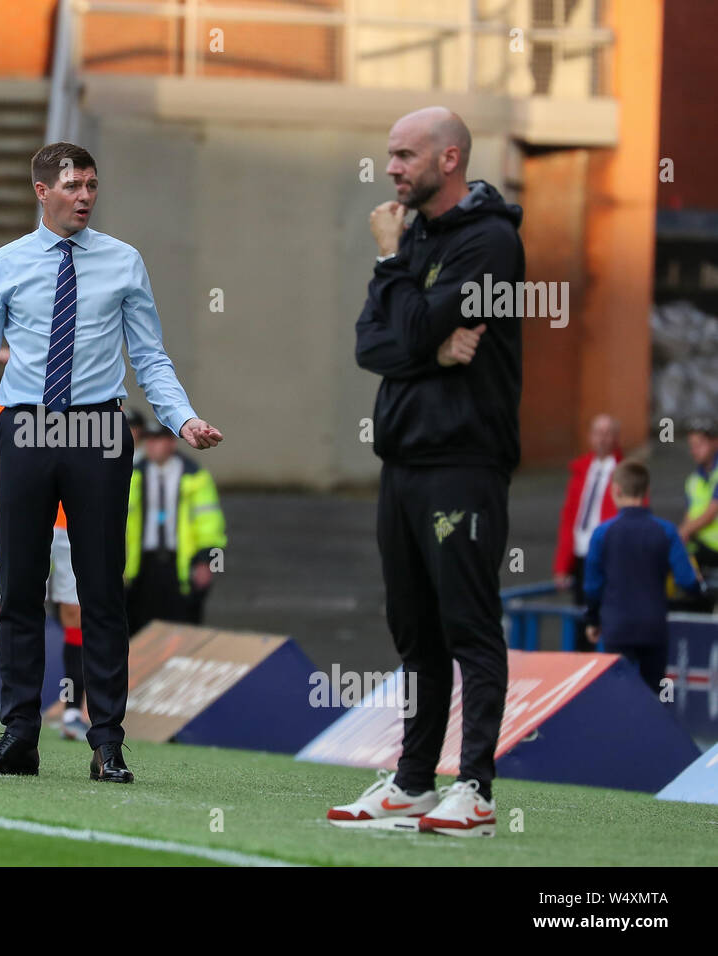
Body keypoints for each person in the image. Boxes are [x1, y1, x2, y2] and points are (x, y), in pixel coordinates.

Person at [0, 142, 223, 784]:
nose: (85, 195)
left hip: (100, 428)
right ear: (41, 191)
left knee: (102, 588)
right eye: (72, 185)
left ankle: (107, 740)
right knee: (19, 588)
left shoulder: (124, 261)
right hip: (25, 425)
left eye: (91, 184)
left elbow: (150, 356)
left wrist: (181, 417)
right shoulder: (5, 263)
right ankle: (18, 736)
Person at [331, 107, 524, 837]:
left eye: (406, 155)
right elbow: (371, 345)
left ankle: (474, 787)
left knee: (468, 625)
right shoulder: (412, 235)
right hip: (403, 461)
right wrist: (431, 349)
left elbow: (400, 327)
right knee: (414, 631)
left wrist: (390, 270)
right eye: (389, 155)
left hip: (464, 461)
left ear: (450, 160)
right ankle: (415, 781)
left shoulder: (491, 241)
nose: (392, 169)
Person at [0, 403, 91, 740]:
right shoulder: (11, 397)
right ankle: (18, 714)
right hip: (29, 517)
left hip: (73, 521)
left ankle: (73, 708)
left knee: (75, 611)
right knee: (22, 606)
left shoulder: (85, 390)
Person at [584, 461, 703, 695]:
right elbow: (687, 581)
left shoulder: (602, 534)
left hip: (616, 627)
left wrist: (593, 620)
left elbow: (592, 586)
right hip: (653, 627)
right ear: (647, 492)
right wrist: (700, 589)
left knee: (618, 698)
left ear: (616, 490)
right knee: (654, 700)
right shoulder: (667, 531)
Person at [124, 420, 227, 636]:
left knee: (183, 631)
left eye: (157, 440)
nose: (151, 446)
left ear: (171, 442)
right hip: (142, 565)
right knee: (139, 632)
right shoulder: (133, 475)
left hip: (180, 566)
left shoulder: (195, 477)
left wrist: (208, 561)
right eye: (148, 441)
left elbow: (211, 524)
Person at [554, 413, 622, 650]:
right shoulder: (581, 469)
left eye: (607, 433)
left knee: (607, 619)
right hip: (582, 556)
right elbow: (569, 518)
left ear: (615, 437)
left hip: (608, 557)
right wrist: (562, 565)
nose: (602, 439)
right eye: (598, 433)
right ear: (590, 437)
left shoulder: (624, 470)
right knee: (582, 621)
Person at [678, 418, 718, 577]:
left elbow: (710, 514)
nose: (694, 450)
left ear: (715, 442)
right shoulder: (693, 480)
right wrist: (681, 535)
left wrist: (679, 534)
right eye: (692, 446)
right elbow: (689, 516)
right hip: (701, 545)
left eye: (699, 444)